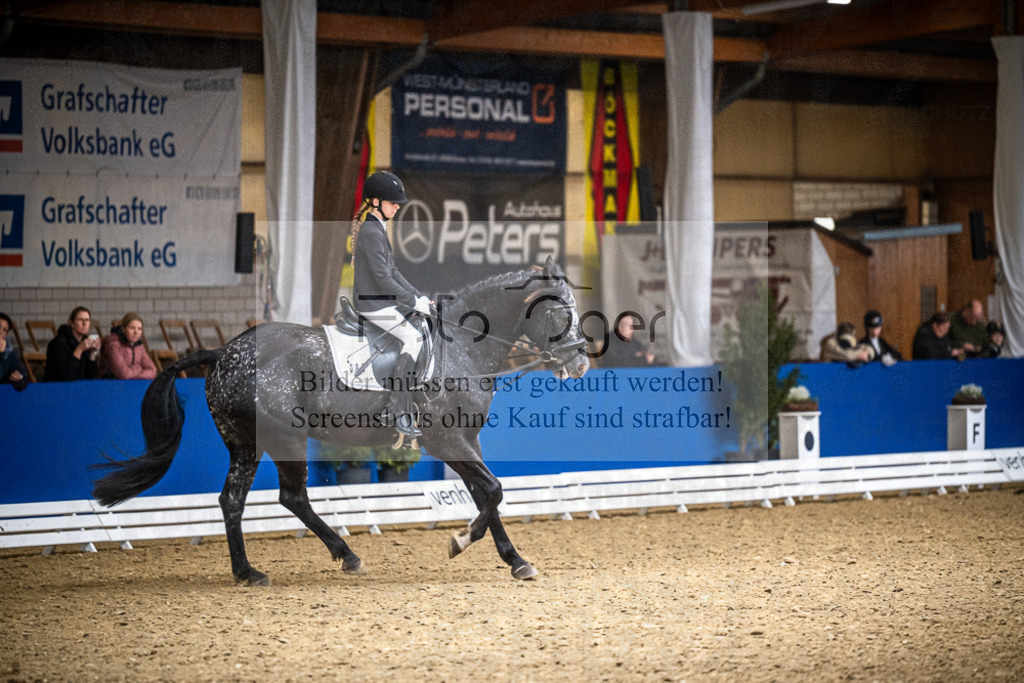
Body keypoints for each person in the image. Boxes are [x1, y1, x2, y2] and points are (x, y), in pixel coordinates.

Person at [350, 170, 431, 440]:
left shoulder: (377, 229)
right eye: (392, 202)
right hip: (372, 304)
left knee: (419, 327)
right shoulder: (372, 231)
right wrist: (412, 301)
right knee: (413, 336)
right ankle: (396, 410)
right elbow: (383, 279)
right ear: (375, 202)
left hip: (380, 301)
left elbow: (393, 271)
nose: (397, 206)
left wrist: (418, 297)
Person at [45, 306, 100, 381]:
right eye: (80, 320)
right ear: (72, 323)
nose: (84, 323)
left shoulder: (85, 340)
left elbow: (91, 376)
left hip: (79, 387)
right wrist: (79, 349)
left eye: (87, 320)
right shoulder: (58, 343)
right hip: (57, 388)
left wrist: (92, 353)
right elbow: (66, 376)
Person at [100, 313, 158, 380]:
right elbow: (124, 375)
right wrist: (139, 368)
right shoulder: (112, 344)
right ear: (123, 329)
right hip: (111, 385)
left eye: (139, 329)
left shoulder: (139, 346)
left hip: (131, 384)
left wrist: (133, 373)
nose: (136, 332)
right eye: (132, 328)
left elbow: (153, 370)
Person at [0, 313, 29, 391]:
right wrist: (1, 353)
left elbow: (24, 374)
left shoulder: (8, 351)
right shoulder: (3, 351)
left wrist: (18, 377)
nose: (0, 332)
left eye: (4, 330)